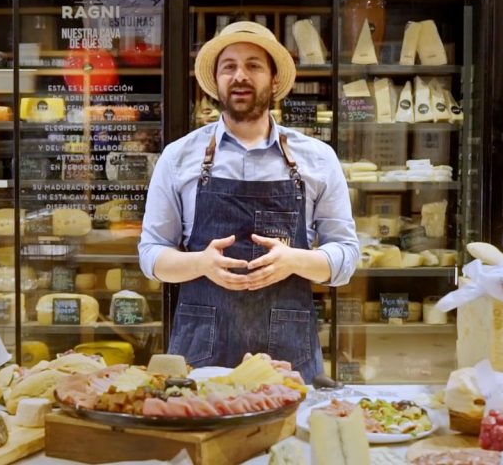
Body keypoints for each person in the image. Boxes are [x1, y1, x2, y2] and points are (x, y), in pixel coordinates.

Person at [138, 21, 359, 383]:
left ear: (273, 80)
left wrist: (295, 261)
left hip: (289, 354)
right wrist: (201, 264)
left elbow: (346, 257)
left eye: (254, 65)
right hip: (200, 353)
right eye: (229, 66)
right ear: (218, 81)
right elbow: (151, 255)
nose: (240, 75)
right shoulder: (178, 157)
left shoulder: (318, 158)